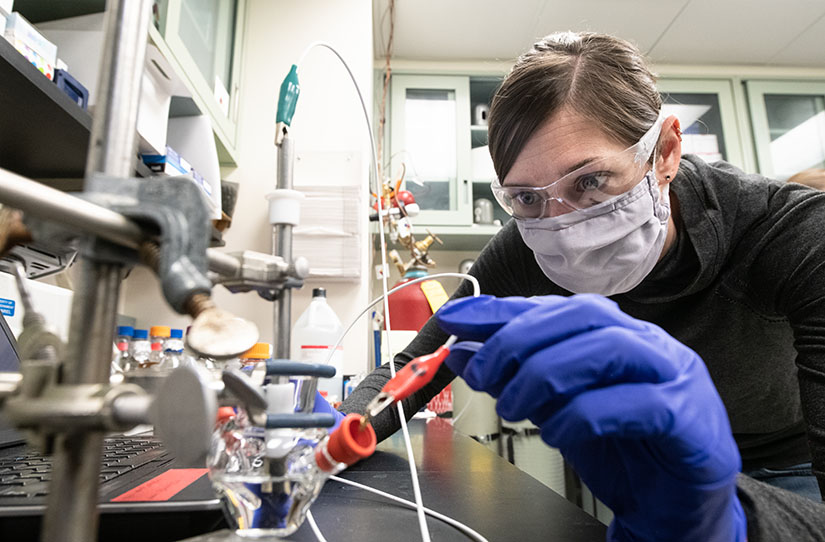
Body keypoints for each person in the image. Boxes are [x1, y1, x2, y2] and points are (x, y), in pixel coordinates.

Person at [330, 31, 825, 539]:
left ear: (666, 152)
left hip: (792, 468)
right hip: (646, 469)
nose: (562, 227)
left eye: (590, 181)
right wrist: (332, 436)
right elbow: (414, 366)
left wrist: (726, 516)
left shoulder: (793, 235)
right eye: (527, 197)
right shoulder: (523, 248)